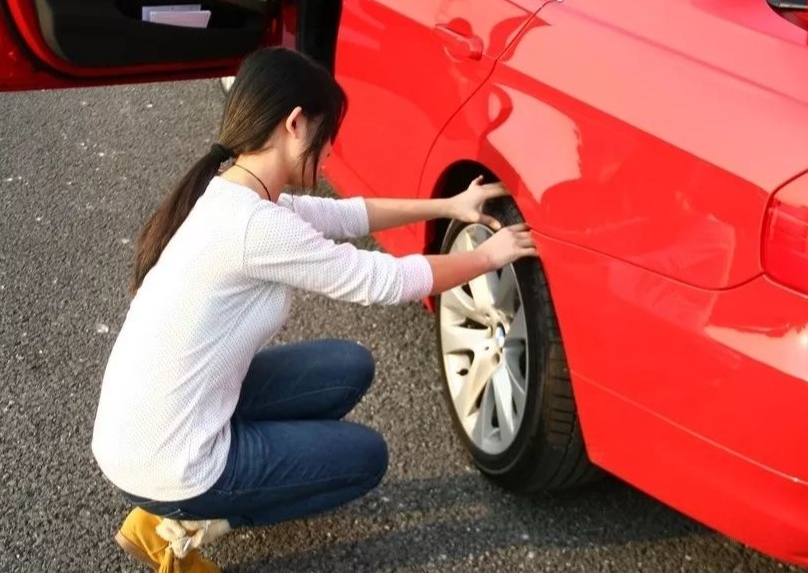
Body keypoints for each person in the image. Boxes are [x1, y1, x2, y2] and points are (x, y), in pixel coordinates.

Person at [90, 46, 536, 572]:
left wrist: (449, 206)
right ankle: (184, 523)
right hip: (168, 460)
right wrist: (486, 256)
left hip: (151, 427)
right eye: (327, 140)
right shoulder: (255, 225)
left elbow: (347, 215)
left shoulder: (237, 193)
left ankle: (190, 504)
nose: (329, 155)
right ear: (296, 124)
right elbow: (381, 280)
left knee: (347, 366)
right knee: (365, 458)